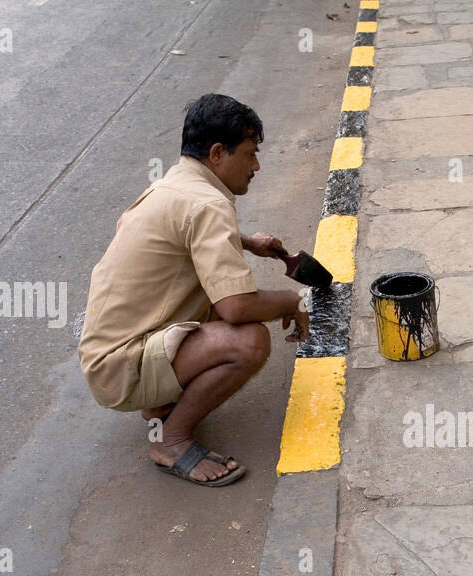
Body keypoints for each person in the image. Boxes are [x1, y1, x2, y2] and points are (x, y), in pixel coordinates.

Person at [79, 93, 309, 486]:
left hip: (110, 352)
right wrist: (296, 300)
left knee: (217, 303)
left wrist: (248, 242)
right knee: (248, 340)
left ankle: (159, 404)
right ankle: (172, 441)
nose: (255, 166)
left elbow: (186, 233)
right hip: (121, 367)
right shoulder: (208, 204)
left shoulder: (177, 183)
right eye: (250, 154)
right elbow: (237, 307)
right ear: (218, 153)